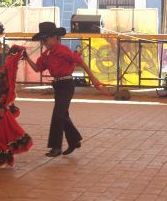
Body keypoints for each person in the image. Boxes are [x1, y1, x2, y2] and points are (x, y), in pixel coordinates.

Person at [24, 22, 107, 157]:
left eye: (46, 40)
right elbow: (37, 68)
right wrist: (26, 58)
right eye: (43, 41)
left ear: (55, 37)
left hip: (67, 85)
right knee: (62, 115)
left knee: (58, 115)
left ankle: (56, 147)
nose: (44, 43)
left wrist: (94, 80)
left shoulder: (63, 50)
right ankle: (74, 141)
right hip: (58, 86)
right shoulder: (47, 55)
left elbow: (80, 62)